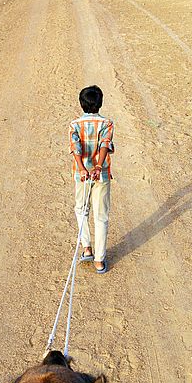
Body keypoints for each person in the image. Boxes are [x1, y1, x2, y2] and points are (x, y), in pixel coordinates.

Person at [68, 85, 114, 274]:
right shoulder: (107, 123)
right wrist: (97, 166)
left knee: (81, 209)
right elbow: (105, 144)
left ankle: (87, 248)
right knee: (101, 215)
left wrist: (82, 168)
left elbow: (75, 147)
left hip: (82, 175)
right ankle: (99, 260)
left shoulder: (74, 125)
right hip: (101, 174)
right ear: (100, 104)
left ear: (81, 104)